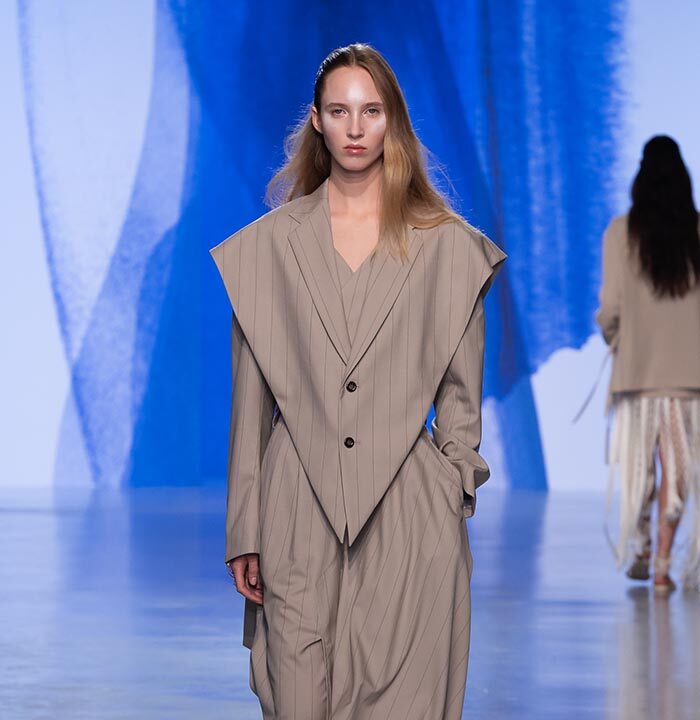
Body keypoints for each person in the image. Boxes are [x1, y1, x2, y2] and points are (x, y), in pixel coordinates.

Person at [210, 43, 506, 718]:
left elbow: (461, 395)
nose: (354, 128)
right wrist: (245, 529)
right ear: (316, 119)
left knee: (404, 699)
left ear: (392, 120)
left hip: (408, 508)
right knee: (295, 696)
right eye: (339, 111)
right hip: (296, 506)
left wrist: (451, 484)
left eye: (371, 111)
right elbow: (250, 404)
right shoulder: (266, 248)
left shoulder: (448, 247)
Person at [596, 135, 700, 594]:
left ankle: (642, 546)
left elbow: (610, 307)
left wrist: (618, 339)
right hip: (689, 376)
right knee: (677, 472)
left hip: (639, 374)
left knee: (642, 470)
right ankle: (660, 566)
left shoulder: (621, 233)